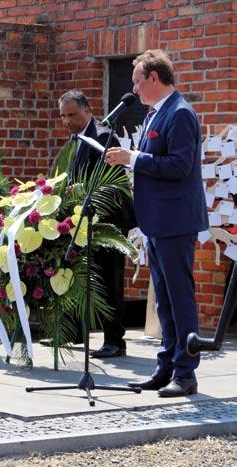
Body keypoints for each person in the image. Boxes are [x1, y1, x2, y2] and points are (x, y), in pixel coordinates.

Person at [106, 49, 208, 397]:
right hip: (156, 221)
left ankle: (186, 373)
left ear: (153, 77)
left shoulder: (180, 114)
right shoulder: (154, 114)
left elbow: (179, 166)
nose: (133, 89)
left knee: (180, 299)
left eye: (136, 81)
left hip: (175, 221)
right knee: (164, 301)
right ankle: (165, 367)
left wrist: (132, 157)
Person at [57, 90, 136, 358]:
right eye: (63, 116)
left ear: (88, 110)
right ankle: (78, 332)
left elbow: (114, 184)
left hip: (109, 221)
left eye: (72, 115)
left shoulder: (104, 136)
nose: (67, 121)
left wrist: (80, 190)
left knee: (110, 279)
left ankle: (115, 340)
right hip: (84, 221)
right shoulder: (77, 137)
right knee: (84, 277)